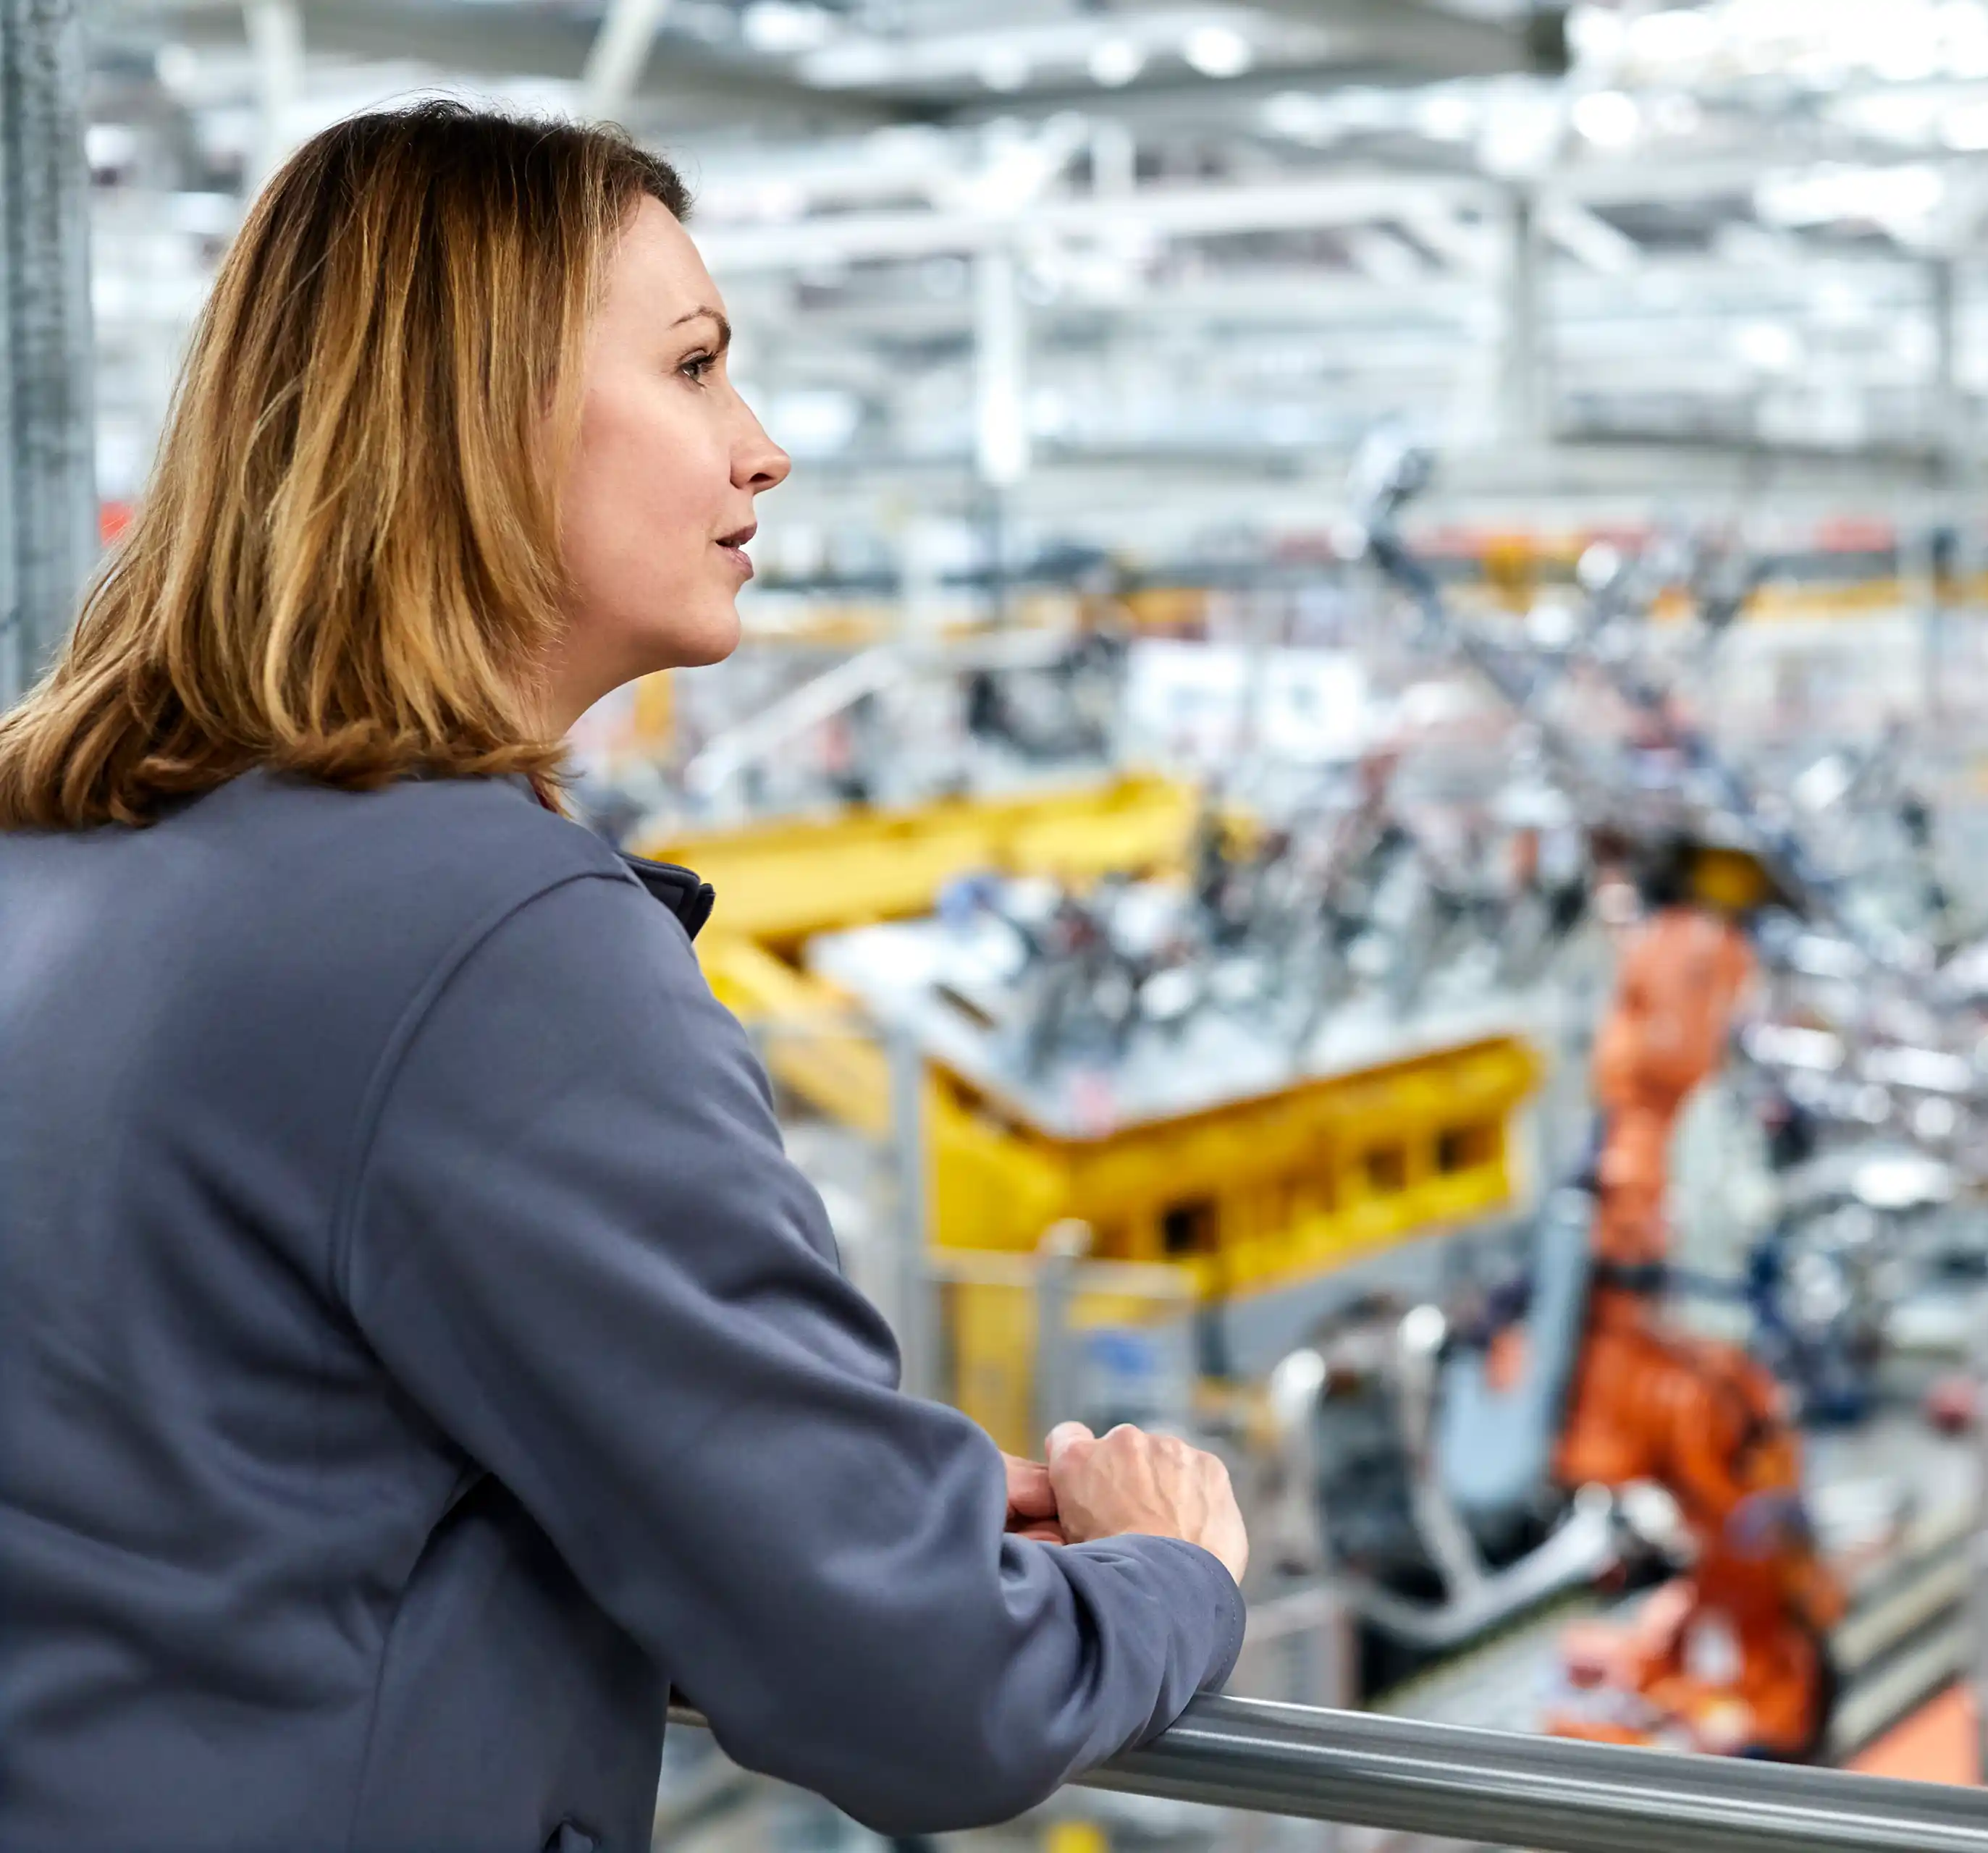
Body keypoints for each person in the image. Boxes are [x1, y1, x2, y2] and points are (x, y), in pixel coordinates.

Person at [0, 104, 1247, 1852]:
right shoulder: (488, 939)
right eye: (696, 366)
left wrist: (858, 1493)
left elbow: (258, 1461)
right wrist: (1170, 1572)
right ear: (480, 411)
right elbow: (936, 1689)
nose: (763, 449)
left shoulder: (58, 859)